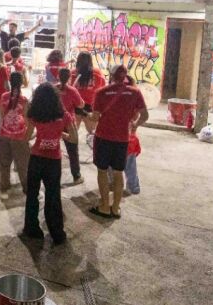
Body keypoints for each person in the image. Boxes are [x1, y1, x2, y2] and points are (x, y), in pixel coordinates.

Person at [89, 65, 149, 220]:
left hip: (103, 137)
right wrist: (135, 125)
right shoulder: (134, 92)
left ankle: (104, 207)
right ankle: (115, 208)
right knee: (118, 173)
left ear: (112, 75)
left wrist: (88, 115)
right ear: (125, 76)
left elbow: (95, 117)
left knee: (102, 171)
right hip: (122, 139)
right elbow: (145, 115)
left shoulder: (101, 92)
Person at [22, 83, 77, 245]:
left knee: (32, 194)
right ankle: (56, 232)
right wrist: (61, 134)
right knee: (53, 196)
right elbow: (74, 138)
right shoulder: (64, 116)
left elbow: (27, 137)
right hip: (54, 160)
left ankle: (32, 228)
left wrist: (36, 138)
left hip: (37, 158)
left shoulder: (35, 115)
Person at [0, 71, 30, 199]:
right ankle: (27, 189)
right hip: (20, 137)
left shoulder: (4, 96)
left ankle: (4, 188)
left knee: (4, 164)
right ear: (22, 83)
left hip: (4, 135)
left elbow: (2, 116)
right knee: (23, 166)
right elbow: (27, 120)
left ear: (10, 82)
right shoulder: (24, 100)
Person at [58, 68, 85, 185]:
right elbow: (81, 104)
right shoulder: (72, 90)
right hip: (69, 123)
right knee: (73, 151)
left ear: (58, 76)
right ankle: (76, 176)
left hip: (55, 122)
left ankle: (53, 177)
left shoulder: (53, 88)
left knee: (53, 149)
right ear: (69, 77)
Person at [72, 51, 106, 137]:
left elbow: (69, 89)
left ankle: (72, 150)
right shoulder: (97, 73)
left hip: (76, 105)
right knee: (93, 134)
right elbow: (103, 89)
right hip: (91, 107)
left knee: (72, 134)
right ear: (90, 61)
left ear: (78, 61)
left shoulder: (73, 73)